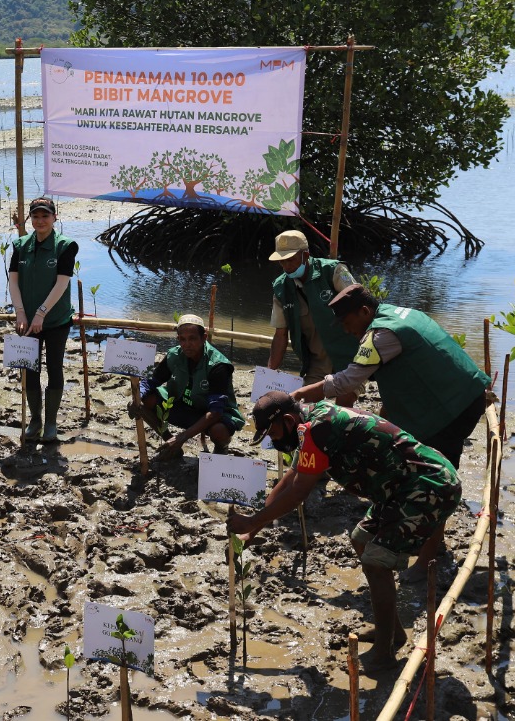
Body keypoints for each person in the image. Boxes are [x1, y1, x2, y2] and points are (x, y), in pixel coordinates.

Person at [229, 391, 462, 670]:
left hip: (427, 485)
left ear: (289, 421)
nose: (274, 440)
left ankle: (384, 652)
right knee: (361, 540)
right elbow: (291, 478)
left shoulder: (317, 430)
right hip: (398, 488)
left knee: (376, 561)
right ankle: (393, 633)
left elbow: (298, 494)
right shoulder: (309, 423)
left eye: (274, 432)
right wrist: (254, 526)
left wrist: (253, 521)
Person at [293, 283, 489, 563]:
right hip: (465, 392)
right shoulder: (401, 313)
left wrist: (300, 393)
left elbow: (347, 381)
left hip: (451, 408)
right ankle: (431, 543)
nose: (348, 331)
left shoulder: (381, 334)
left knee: (432, 479)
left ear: (364, 311)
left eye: (348, 323)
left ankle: (427, 559)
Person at [7, 197, 77, 442]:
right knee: (30, 368)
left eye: (45, 216)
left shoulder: (65, 246)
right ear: (30, 218)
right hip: (27, 321)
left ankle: (51, 423)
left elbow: (62, 283)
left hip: (56, 320)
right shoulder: (20, 245)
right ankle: (35, 419)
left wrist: (41, 313)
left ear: (54, 218)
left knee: (54, 367)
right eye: (35, 216)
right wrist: (20, 312)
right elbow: (13, 281)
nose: (40, 221)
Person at [129, 314, 246, 457]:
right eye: (182, 339)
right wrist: (138, 396)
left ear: (203, 338)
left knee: (219, 431)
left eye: (192, 338)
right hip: (182, 405)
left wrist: (182, 437)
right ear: (178, 339)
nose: (187, 344)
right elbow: (150, 382)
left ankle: (220, 451)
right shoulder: (174, 355)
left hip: (208, 414)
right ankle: (171, 446)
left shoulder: (218, 365)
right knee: (142, 401)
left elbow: (215, 412)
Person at [266, 229, 359, 405]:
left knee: (343, 407)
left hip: (349, 358)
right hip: (317, 363)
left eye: (291, 260)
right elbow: (280, 335)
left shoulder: (334, 271)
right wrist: (268, 374)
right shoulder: (281, 288)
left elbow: (360, 305)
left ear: (306, 255)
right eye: (281, 262)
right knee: (304, 408)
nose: (286, 266)